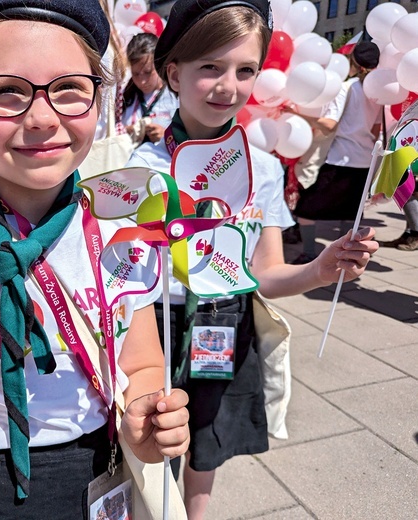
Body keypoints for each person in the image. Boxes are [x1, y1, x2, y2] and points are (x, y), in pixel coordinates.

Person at [0, 1, 190, 519]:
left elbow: (141, 362)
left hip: (98, 472)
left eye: (70, 88)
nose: (42, 118)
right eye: (6, 92)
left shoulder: (124, 235)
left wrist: (145, 419)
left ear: (99, 100)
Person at [125, 1, 379, 518]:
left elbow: (262, 273)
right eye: (210, 68)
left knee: (208, 439)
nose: (228, 86)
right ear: (173, 72)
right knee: (151, 441)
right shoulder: (141, 166)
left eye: (245, 70)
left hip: (225, 322)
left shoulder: (260, 168)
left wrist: (320, 268)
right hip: (154, 326)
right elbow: (123, 272)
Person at [292, 42, 382, 264]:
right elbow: (375, 129)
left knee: (305, 210)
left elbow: (330, 125)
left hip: (339, 159)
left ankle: (309, 253)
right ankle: (347, 257)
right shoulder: (377, 92)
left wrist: (298, 115)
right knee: (351, 214)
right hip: (364, 162)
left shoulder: (346, 87)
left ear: (353, 62)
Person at [121, 33, 178, 146]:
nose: (142, 81)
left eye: (148, 72)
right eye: (136, 74)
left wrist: (166, 136)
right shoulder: (126, 97)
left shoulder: (175, 95)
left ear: (159, 64)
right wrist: (127, 132)